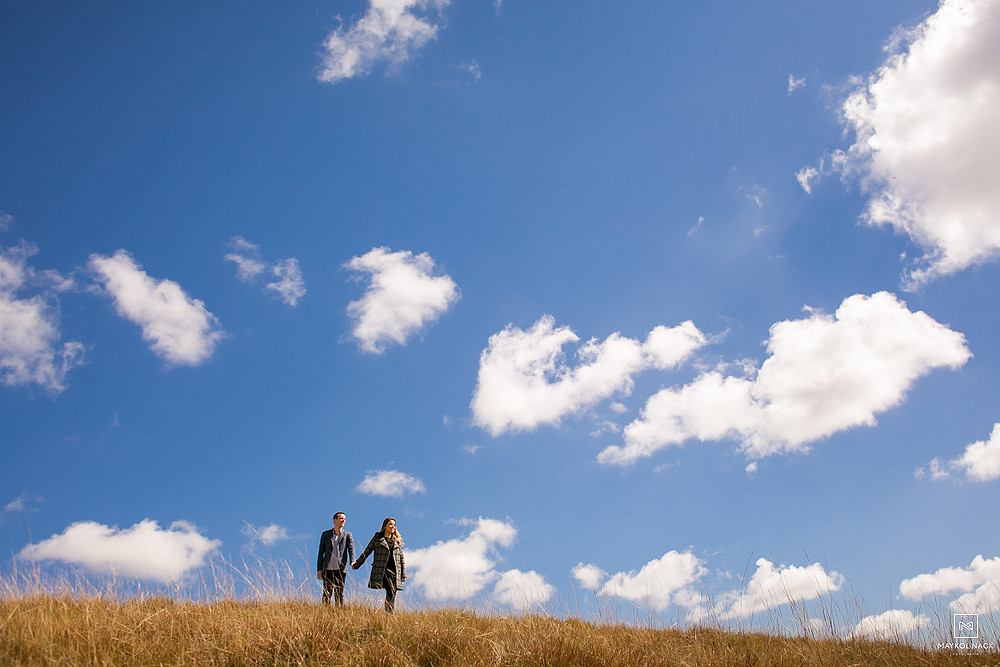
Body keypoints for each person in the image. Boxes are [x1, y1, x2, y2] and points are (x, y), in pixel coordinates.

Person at [353, 517, 406, 613]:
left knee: (393, 593)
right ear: (385, 526)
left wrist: (403, 574)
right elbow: (367, 552)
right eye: (390, 524)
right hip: (383, 570)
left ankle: (389, 614)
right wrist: (356, 565)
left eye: (394, 525)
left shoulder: (396, 542)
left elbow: (401, 559)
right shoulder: (377, 539)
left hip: (395, 571)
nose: (392, 527)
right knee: (390, 590)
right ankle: (389, 615)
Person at [316, 511, 355, 606]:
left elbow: (351, 549)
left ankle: (339, 614)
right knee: (327, 592)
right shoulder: (326, 534)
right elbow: (321, 553)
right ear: (335, 520)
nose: (343, 520)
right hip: (328, 568)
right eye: (341, 518)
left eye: (344, 519)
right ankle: (325, 613)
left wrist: (352, 561)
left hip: (340, 569)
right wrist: (319, 569)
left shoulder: (347, 535)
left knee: (339, 593)